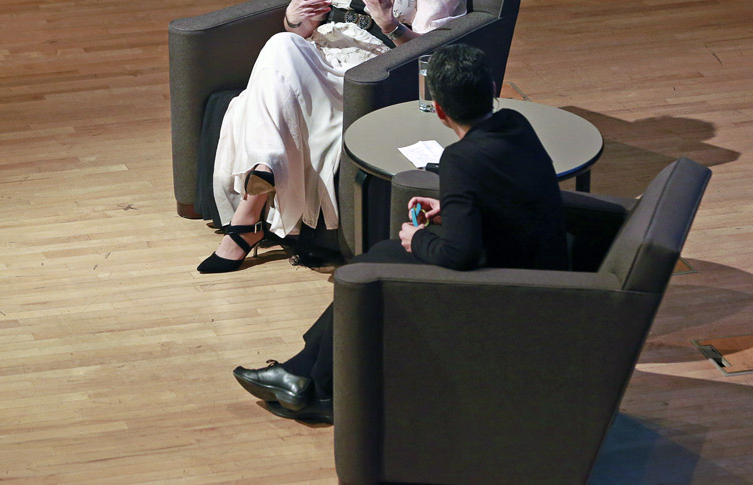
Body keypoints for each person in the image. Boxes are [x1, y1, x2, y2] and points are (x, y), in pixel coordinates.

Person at [231, 44, 571, 423]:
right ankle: (304, 375)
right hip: (535, 262)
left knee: (371, 270)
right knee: (370, 263)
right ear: (491, 89)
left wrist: (417, 239)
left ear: (439, 111)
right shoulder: (515, 124)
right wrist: (453, 207)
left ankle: (311, 383)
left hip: (507, 285)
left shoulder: (460, 159)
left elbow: (460, 255)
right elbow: (511, 190)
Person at [198, 0, 468, 273]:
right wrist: (294, 17)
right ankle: (264, 170)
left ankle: (247, 218)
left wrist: (391, 25)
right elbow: (303, 25)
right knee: (282, 42)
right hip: (317, 60)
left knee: (275, 66)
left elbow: (436, 52)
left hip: (368, 76)